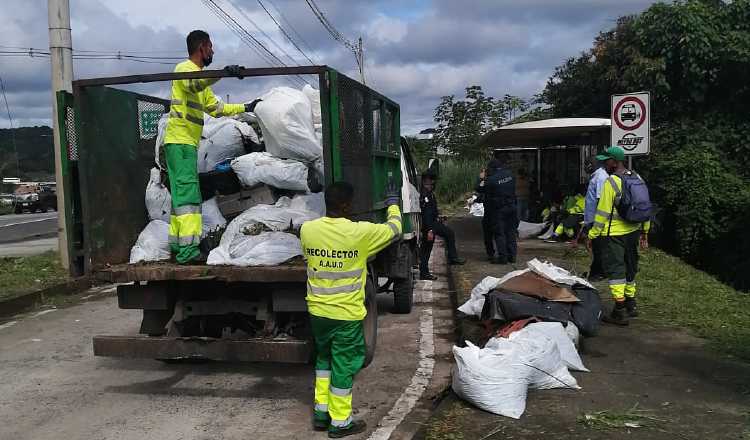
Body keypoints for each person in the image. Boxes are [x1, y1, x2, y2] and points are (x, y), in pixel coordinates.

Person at [300, 181, 402, 438]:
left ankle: (321, 413)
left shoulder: (307, 230)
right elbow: (395, 230)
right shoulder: (360, 234)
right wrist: (392, 204)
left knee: (324, 360)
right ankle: (341, 422)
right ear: (345, 205)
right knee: (344, 367)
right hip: (345, 315)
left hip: (318, 312)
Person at [164, 30, 260, 264]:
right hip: (180, 142)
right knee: (188, 197)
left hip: (183, 143)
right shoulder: (184, 70)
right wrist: (223, 73)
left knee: (182, 198)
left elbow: (216, 109)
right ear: (202, 47)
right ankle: (188, 252)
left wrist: (245, 106)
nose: (213, 51)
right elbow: (193, 84)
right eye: (211, 47)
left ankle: (178, 247)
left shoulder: (200, 80)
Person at [588, 146, 650, 326]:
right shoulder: (636, 177)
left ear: (614, 162)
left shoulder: (612, 182)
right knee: (631, 265)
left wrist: (592, 234)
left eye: (606, 160)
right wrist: (645, 230)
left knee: (616, 270)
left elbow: (603, 212)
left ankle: (619, 310)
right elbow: (645, 205)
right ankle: (631, 304)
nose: (604, 163)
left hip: (613, 234)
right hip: (633, 230)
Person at [419, 174, 465, 280]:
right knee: (426, 249)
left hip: (433, 223)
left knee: (449, 233)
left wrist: (439, 218)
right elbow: (426, 214)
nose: (433, 184)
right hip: (429, 226)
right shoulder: (425, 195)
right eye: (432, 182)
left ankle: (453, 258)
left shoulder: (429, 193)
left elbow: (432, 212)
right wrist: (430, 230)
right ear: (427, 181)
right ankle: (424, 273)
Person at [484, 153, 518, 264]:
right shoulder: (510, 175)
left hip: (499, 209)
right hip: (512, 207)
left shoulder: (491, 180)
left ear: (492, 168)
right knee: (511, 232)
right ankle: (512, 256)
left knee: (500, 233)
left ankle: (503, 257)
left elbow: (486, 194)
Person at [582, 157, 609, 280]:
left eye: (588, 164)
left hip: (597, 220)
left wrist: (598, 222)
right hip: (592, 219)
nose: (586, 167)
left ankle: (599, 273)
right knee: (596, 247)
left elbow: (600, 200)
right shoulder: (595, 176)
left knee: (599, 248)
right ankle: (597, 271)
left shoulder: (600, 177)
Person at [475, 168, 495, 261]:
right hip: (498, 210)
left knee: (488, 234)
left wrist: (481, 179)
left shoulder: (488, 182)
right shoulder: (499, 180)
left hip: (490, 210)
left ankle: (491, 253)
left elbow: (478, 188)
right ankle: (505, 253)